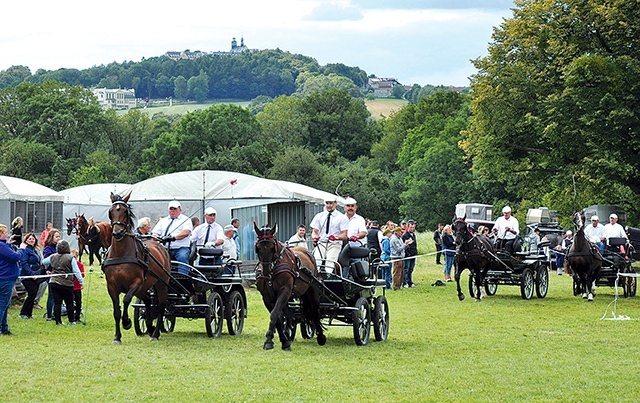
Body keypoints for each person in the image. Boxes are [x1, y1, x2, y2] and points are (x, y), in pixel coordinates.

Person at [41, 240, 84, 325]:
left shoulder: (53, 256)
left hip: (54, 282)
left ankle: (58, 321)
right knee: (69, 302)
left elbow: (44, 262)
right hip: (66, 283)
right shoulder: (70, 257)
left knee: (57, 303)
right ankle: (72, 321)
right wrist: (81, 281)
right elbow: (76, 271)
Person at [310, 196, 348, 273]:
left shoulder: (342, 217)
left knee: (330, 262)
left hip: (334, 244)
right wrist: (315, 237)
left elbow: (344, 235)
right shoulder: (319, 216)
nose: (329, 205)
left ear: (335, 204)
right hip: (321, 243)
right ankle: (315, 279)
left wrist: (336, 237)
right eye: (327, 203)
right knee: (316, 261)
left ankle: (328, 277)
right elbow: (314, 232)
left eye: (331, 203)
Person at [1, 223, 26, 335]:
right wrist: (21, 249)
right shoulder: (2, 246)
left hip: (6, 278)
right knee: (3, 304)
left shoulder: (4, 245)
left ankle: (4, 327)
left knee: (5, 304)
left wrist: (9, 244)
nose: (7, 234)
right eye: (5, 233)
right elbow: (16, 257)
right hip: (6, 278)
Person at [152, 200, 193, 265]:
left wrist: (173, 238)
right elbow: (155, 233)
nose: (172, 211)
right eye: (171, 209)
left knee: (182, 257)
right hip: (165, 248)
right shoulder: (163, 220)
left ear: (180, 210)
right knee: (155, 258)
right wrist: (158, 238)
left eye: (175, 209)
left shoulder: (186, 220)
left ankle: (182, 275)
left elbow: (186, 232)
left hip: (181, 248)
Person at [18, 232, 44, 319]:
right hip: (27, 276)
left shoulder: (34, 250)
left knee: (33, 294)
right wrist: (31, 274)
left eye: (33, 239)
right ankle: (23, 313)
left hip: (36, 274)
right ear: (26, 240)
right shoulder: (25, 250)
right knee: (32, 293)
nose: (31, 240)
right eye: (30, 239)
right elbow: (24, 263)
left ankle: (29, 314)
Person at [42, 228, 61, 321]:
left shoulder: (58, 247)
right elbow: (46, 262)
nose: (58, 238)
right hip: (51, 273)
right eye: (56, 236)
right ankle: (49, 315)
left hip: (59, 274)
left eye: (59, 236)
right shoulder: (48, 248)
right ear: (51, 237)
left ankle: (55, 312)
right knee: (51, 295)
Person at [401, 219, 417, 288]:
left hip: (413, 254)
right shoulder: (405, 236)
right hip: (407, 255)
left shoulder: (413, 235)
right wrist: (408, 253)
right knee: (406, 269)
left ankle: (410, 281)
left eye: (413, 227)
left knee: (411, 269)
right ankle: (405, 282)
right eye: (411, 227)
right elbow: (404, 246)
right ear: (407, 227)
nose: (412, 229)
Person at [70, 249, 85, 323]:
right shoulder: (68, 264)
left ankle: (77, 317)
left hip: (77, 286)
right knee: (71, 302)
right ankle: (72, 316)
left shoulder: (80, 265)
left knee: (78, 303)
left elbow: (82, 275)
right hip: (70, 286)